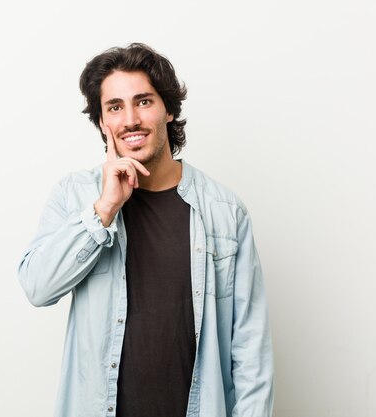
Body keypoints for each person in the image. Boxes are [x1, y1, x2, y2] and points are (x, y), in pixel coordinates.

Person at [18, 43, 274, 417]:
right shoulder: (76, 196)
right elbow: (38, 287)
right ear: (103, 122)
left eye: (144, 101)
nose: (131, 119)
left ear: (168, 109)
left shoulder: (225, 212)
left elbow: (251, 349)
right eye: (115, 107)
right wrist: (104, 210)